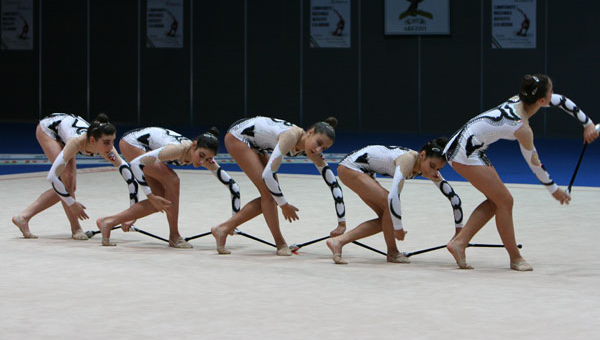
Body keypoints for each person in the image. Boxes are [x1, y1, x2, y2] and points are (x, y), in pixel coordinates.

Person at [444, 74, 599, 271]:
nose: (554, 95)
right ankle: (515, 258)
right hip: (463, 153)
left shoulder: (519, 99)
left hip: (465, 145)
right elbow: (535, 164)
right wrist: (554, 190)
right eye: (551, 91)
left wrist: (587, 124)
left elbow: (563, 101)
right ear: (542, 101)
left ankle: (459, 243)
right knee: (505, 201)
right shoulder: (522, 128)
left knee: (497, 201)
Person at [211, 116, 346, 256]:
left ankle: (224, 229)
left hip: (255, 141)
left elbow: (333, 184)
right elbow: (267, 175)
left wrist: (341, 223)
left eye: (323, 148)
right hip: (238, 136)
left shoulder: (312, 149)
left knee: (271, 195)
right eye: (318, 143)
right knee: (270, 194)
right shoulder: (291, 136)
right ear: (310, 132)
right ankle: (278, 242)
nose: (318, 150)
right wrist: (284, 205)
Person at [96, 127, 240, 248]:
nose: (203, 162)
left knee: (160, 199)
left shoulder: (205, 158)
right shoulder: (176, 150)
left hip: (143, 144)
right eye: (201, 156)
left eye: (207, 159)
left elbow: (233, 186)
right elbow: (135, 164)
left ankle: (108, 222)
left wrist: (234, 221)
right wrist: (149, 196)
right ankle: (174, 236)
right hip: (132, 143)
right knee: (172, 180)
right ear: (194, 145)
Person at [326, 139, 463, 264]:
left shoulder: (426, 168)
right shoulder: (407, 160)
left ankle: (338, 242)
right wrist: (398, 228)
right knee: (389, 207)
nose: (434, 172)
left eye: (438, 169)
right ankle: (392, 253)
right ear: (422, 155)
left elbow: (454, 198)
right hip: (350, 167)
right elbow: (393, 196)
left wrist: (459, 232)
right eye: (432, 166)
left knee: (386, 221)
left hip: (363, 171)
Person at [12, 113, 139, 240]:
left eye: (112, 141)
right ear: (93, 140)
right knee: (67, 183)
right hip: (49, 130)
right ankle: (76, 228)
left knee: (69, 186)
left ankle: (23, 217)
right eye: (106, 142)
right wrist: (72, 204)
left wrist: (132, 214)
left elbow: (130, 179)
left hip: (66, 127)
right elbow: (52, 177)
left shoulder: (107, 149)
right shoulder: (76, 142)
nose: (111, 147)